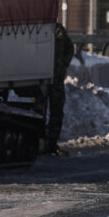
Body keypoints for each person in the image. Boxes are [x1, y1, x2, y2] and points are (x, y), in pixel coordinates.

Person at [45, 23, 73, 156]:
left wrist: (62, 65)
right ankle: (41, 142)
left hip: (55, 78)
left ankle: (51, 143)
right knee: (39, 112)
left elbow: (69, 48)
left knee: (56, 112)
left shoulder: (58, 30)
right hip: (42, 78)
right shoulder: (39, 28)